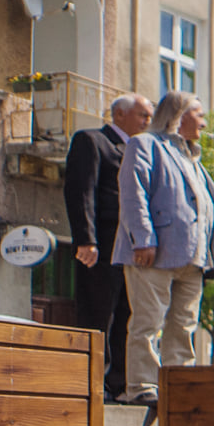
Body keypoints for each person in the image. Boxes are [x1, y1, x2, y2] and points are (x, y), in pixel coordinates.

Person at [114, 91, 214, 406]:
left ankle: (178, 385)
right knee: (148, 321)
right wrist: (143, 238)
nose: (204, 122)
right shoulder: (145, 144)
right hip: (154, 252)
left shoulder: (192, 156)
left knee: (183, 325)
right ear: (178, 115)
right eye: (199, 113)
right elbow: (133, 193)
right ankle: (142, 386)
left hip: (193, 257)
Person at [64, 93, 153, 396]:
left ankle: (118, 385)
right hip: (102, 246)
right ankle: (90, 385)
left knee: (127, 318)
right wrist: (85, 239)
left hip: (133, 252)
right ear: (119, 115)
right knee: (98, 314)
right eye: (142, 115)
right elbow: (81, 192)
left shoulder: (142, 152)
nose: (147, 122)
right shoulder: (92, 141)